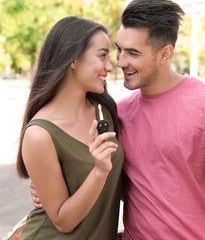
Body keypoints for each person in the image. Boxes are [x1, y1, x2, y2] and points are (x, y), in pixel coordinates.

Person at [32, 0, 205, 239]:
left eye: (133, 53)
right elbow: (120, 184)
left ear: (165, 54)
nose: (121, 63)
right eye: (119, 50)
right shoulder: (117, 114)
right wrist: (51, 189)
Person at [16, 16, 124, 239]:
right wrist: (99, 171)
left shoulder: (104, 111)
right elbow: (63, 221)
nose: (110, 67)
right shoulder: (39, 134)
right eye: (102, 55)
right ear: (73, 59)